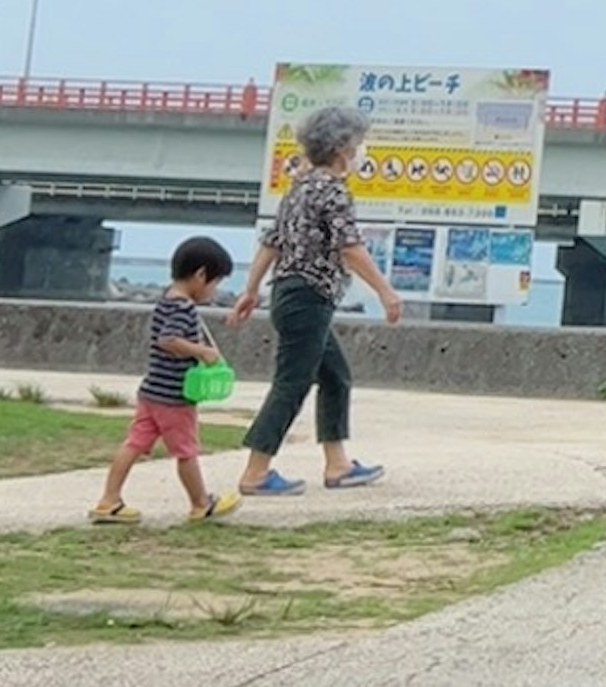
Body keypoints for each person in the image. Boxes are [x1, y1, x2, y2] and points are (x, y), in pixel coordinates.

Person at [226, 104, 403, 500]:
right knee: (292, 382)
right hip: (309, 296)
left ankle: (337, 464)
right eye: (357, 143)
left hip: (290, 293)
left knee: (335, 376)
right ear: (342, 148)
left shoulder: (300, 187)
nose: (361, 150)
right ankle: (256, 471)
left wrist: (251, 290)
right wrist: (384, 290)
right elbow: (350, 247)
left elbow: (272, 241)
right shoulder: (333, 190)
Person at [90, 235, 237, 525]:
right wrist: (203, 352)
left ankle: (109, 500)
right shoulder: (183, 308)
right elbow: (168, 339)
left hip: (151, 392)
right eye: (215, 282)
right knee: (186, 451)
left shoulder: (165, 300)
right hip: (173, 396)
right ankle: (200, 503)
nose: (214, 290)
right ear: (200, 275)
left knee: (133, 444)